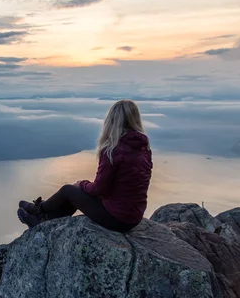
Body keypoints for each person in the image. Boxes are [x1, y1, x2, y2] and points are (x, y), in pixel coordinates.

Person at [17, 100, 153, 233]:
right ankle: (45, 220)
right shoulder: (144, 149)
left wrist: (81, 184)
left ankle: (39, 210)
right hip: (134, 217)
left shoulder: (112, 150)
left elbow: (99, 189)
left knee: (68, 190)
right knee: (76, 194)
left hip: (117, 218)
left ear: (111, 121)